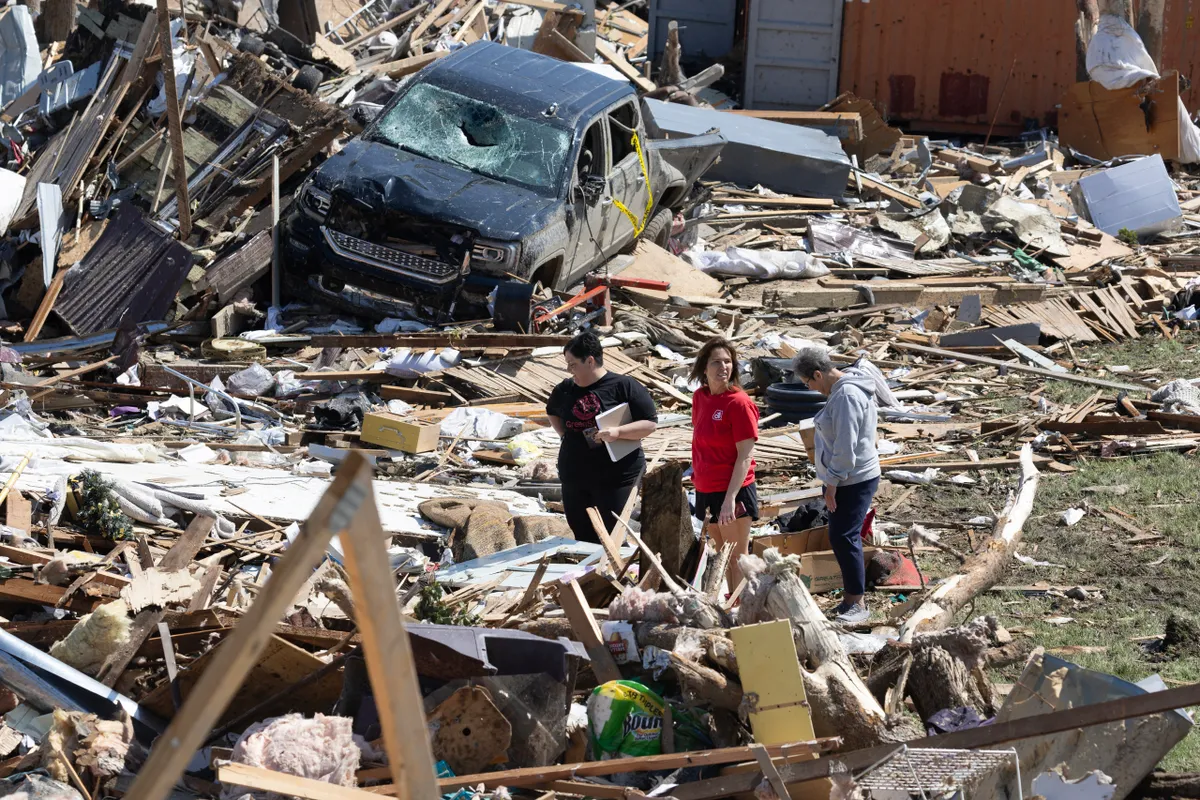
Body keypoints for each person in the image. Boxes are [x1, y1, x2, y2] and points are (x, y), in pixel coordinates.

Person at [792, 348, 881, 624]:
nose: (813, 389)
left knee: (845, 536)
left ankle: (857, 602)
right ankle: (851, 599)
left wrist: (831, 483)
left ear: (818, 374)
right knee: (842, 535)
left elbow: (846, 447)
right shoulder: (845, 390)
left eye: (810, 384)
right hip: (848, 477)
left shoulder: (846, 395)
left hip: (851, 479)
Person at [547, 331, 658, 543]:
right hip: (575, 477)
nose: (569, 370)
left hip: (616, 477)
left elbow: (650, 423)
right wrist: (564, 435)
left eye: (573, 364)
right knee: (583, 535)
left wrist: (617, 433)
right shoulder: (565, 390)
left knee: (612, 536)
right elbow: (552, 411)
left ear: (589, 361)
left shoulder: (623, 386)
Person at [689, 337, 759, 593]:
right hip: (706, 489)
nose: (723, 367)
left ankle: (742, 611)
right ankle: (730, 608)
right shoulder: (700, 397)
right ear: (704, 368)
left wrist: (730, 498)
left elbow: (745, 456)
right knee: (720, 556)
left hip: (733, 490)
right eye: (716, 361)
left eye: (728, 361)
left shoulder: (738, 403)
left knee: (736, 557)